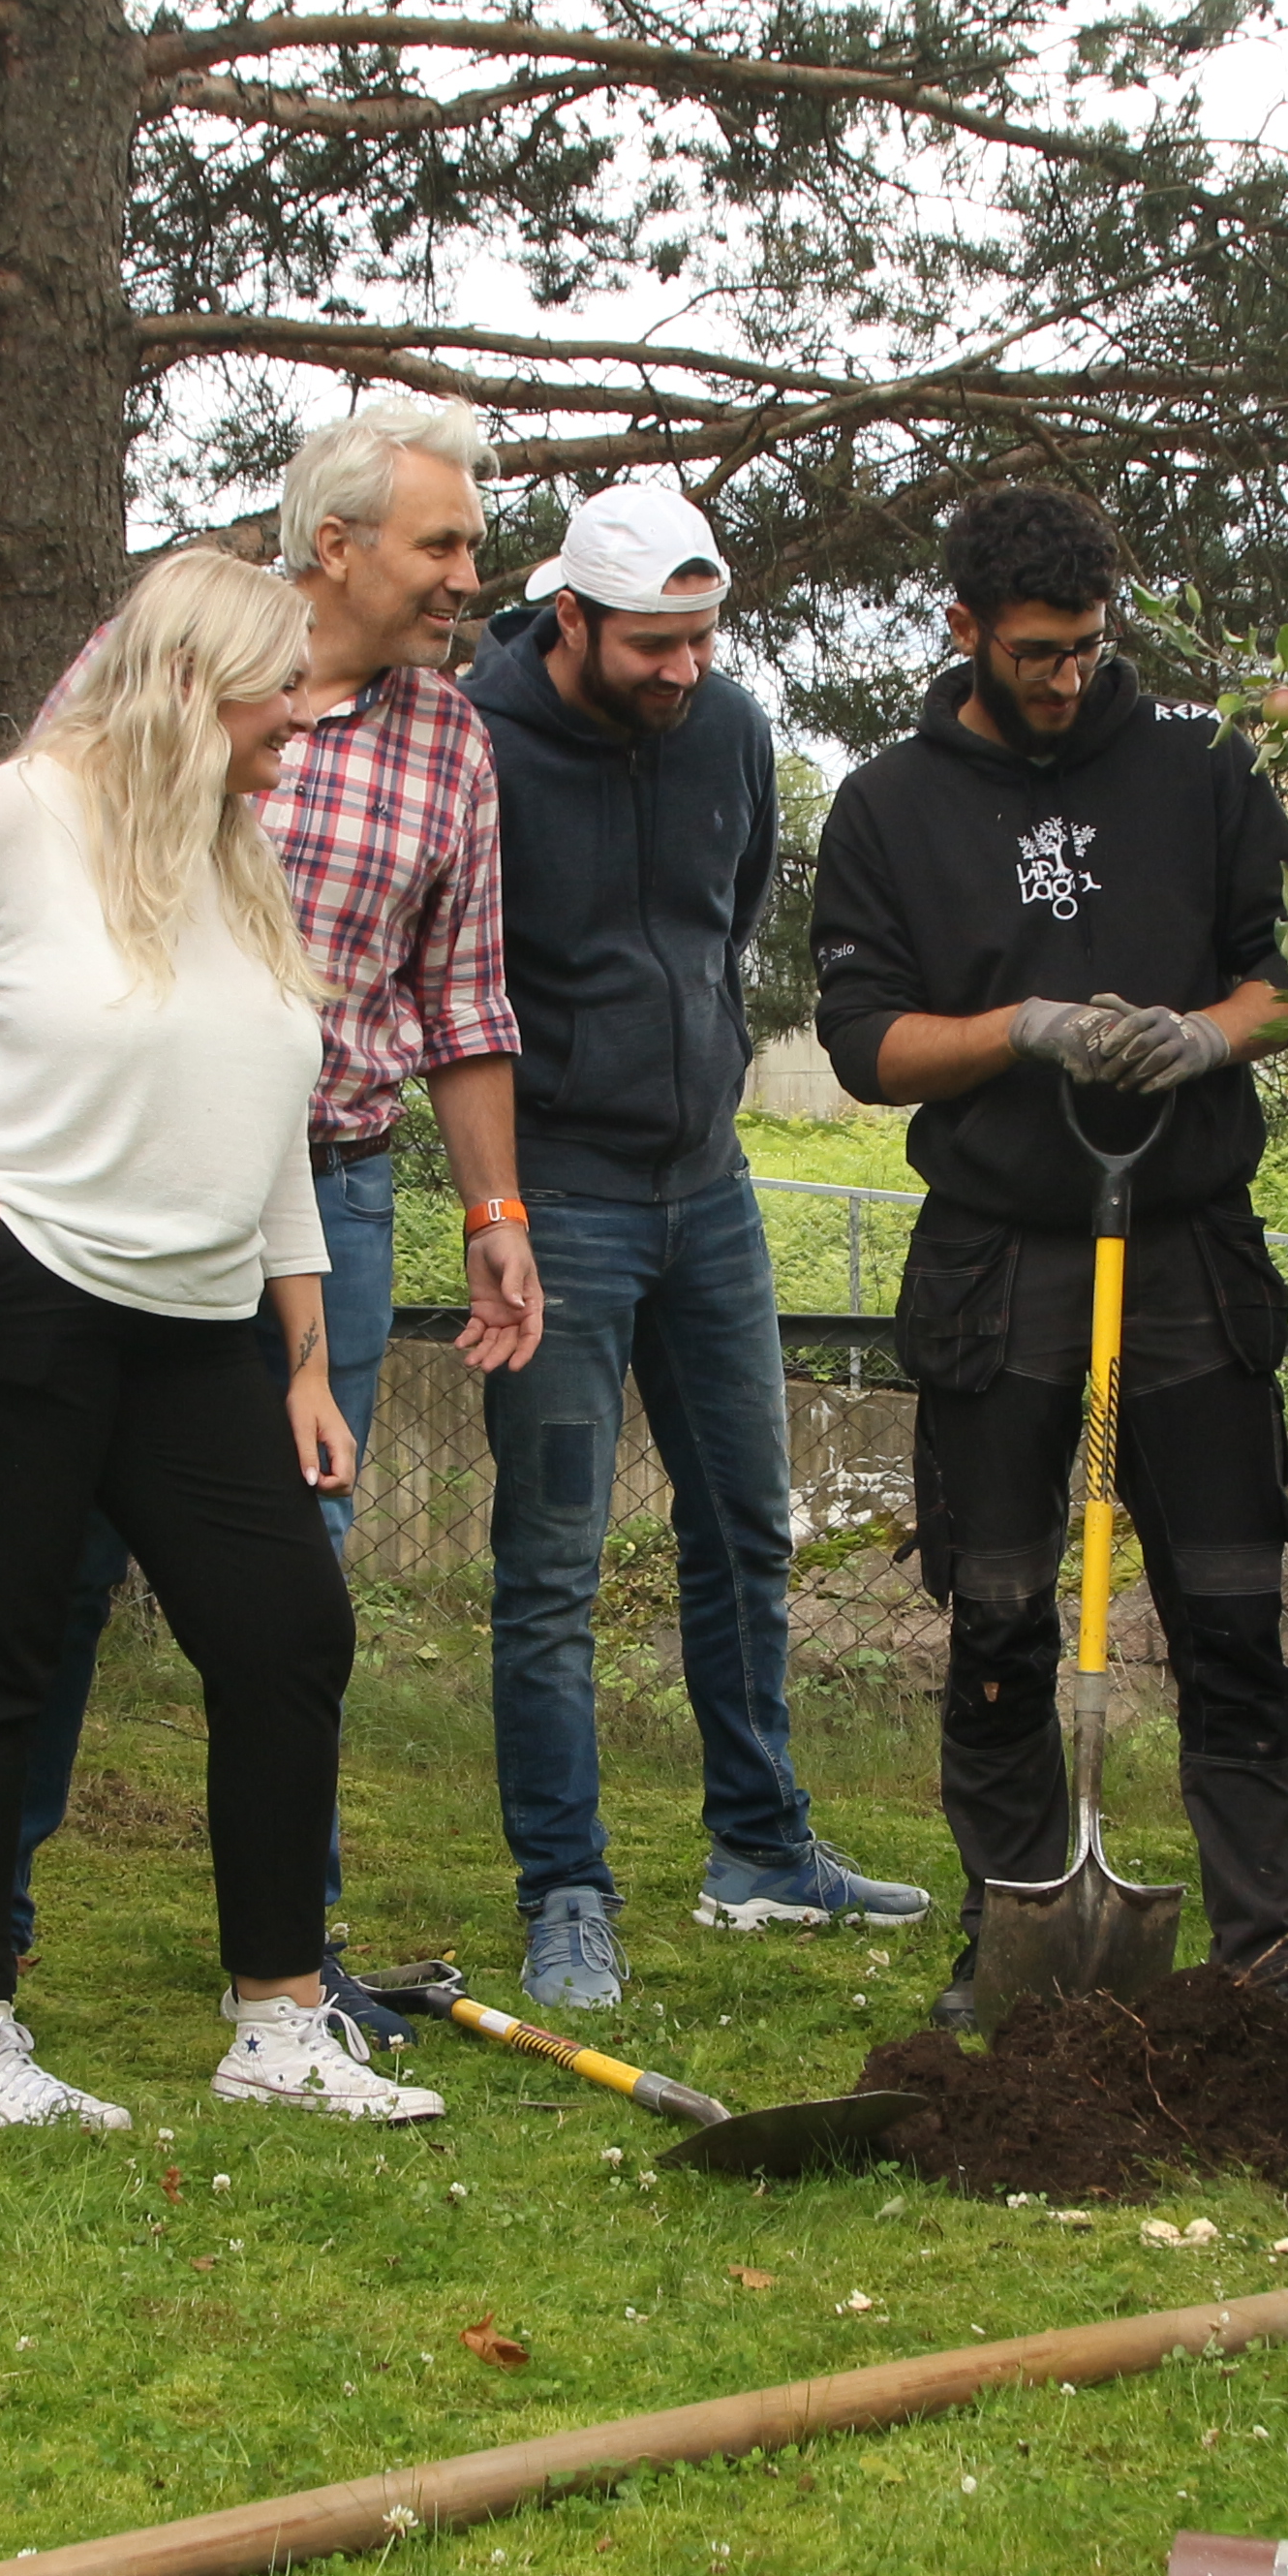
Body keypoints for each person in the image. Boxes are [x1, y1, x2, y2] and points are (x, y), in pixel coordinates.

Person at [0, 546, 445, 2130]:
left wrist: (299, 1353)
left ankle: (276, 2022)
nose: (302, 716)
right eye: (275, 690)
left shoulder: (233, 853)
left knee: (285, 1629)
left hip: (190, 1319)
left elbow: (261, 1114)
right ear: (180, 688)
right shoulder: (5, 820)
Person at [0, 396, 542, 2051]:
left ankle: (288, 1961)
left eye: (469, 547)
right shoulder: (164, 659)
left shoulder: (451, 738)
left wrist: (492, 1212)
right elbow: (33, 864)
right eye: (439, 543)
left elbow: (464, 1003)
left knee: (298, 1584)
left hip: (327, 1206)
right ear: (332, 544)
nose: (463, 578)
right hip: (110, 1200)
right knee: (52, 1571)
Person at [810, 481, 1288, 2022]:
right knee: (1003, 1613)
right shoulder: (890, 807)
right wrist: (1020, 1031)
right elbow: (863, 1046)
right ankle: (1016, 1928)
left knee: (1232, 1606)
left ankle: (1266, 1953)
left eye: (1090, 646)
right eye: (1036, 649)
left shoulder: (1201, 769)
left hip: (1186, 1248)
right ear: (962, 629)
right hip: (999, 1258)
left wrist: (1203, 1035)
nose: (1067, 676)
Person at [462, 476, 932, 2008]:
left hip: (708, 1189)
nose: (683, 670)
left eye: (702, 640)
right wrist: (503, 1197)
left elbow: (727, 923)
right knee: (549, 1564)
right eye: (653, 644)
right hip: (560, 1200)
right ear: (573, 620)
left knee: (744, 1532)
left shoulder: (726, 732)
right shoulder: (479, 738)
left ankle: (759, 1849)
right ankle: (566, 1891)